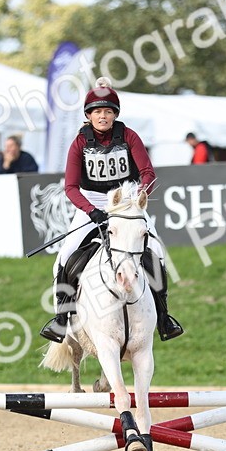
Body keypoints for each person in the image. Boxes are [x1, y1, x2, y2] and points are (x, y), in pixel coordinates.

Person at [39, 77, 184, 344]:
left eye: (108, 111)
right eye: (97, 112)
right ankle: (62, 318)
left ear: (115, 114)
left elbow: (148, 173)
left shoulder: (129, 136)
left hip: (126, 202)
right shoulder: (79, 143)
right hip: (91, 203)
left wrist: (137, 198)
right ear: (89, 116)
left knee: (157, 252)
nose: (103, 116)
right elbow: (70, 187)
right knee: (66, 254)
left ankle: (164, 317)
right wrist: (92, 210)